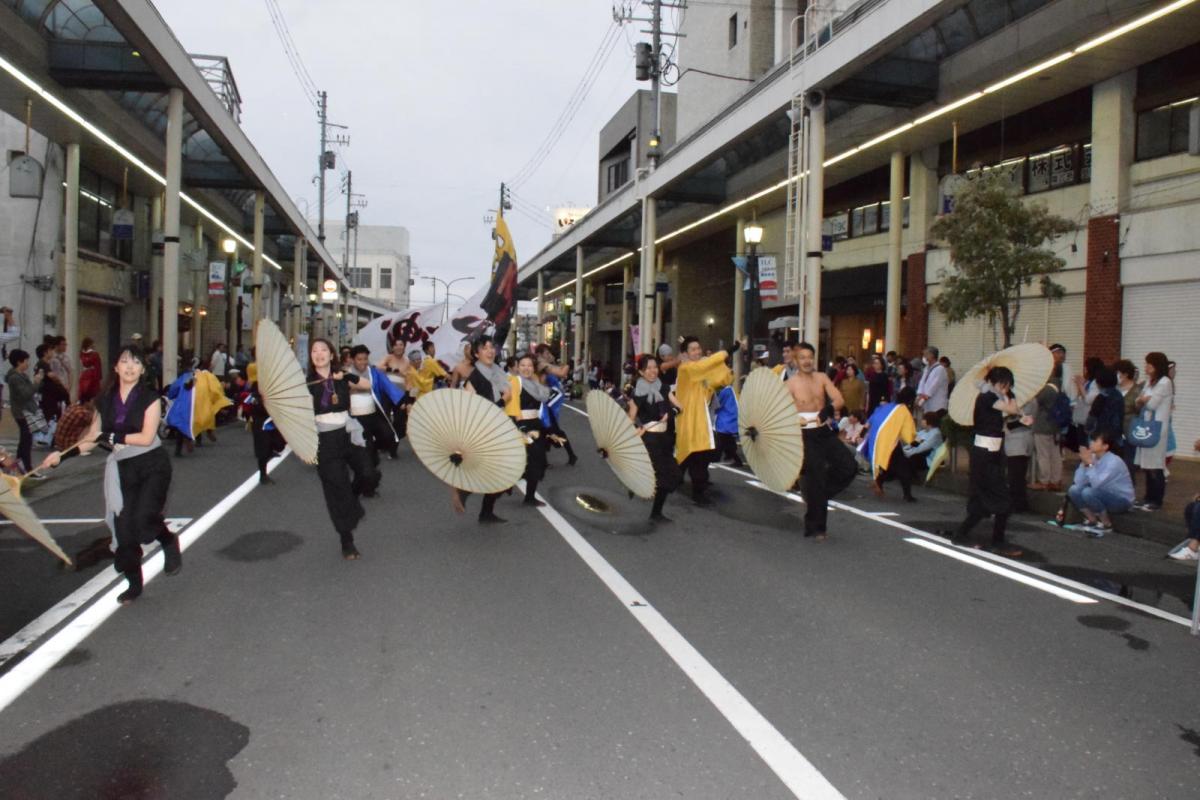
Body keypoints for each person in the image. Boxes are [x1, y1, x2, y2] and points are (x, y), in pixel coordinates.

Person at [42, 344, 180, 603]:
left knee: (144, 519)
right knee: (125, 531)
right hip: (123, 467)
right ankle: (134, 583)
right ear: (115, 367)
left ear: (142, 370)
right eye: (125, 361)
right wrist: (61, 456)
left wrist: (112, 435)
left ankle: (168, 540)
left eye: (136, 363)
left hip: (152, 465)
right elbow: (92, 439)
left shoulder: (150, 398)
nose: (130, 367)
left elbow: (146, 436)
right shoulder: (104, 402)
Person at [942, 366, 1030, 557]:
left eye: (1007, 387)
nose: (1005, 390)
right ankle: (997, 541)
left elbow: (1006, 419)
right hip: (984, 456)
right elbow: (1011, 408)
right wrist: (1015, 403)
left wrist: (1021, 419)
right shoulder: (986, 398)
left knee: (982, 502)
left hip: (991, 455)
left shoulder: (991, 399)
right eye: (1004, 385)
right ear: (994, 382)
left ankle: (961, 534)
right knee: (1003, 500)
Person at [785, 342, 858, 540]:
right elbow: (781, 412)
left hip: (824, 431)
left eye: (810, 357)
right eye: (802, 357)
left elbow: (839, 399)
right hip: (804, 434)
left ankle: (819, 496)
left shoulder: (822, 377)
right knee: (816, 474)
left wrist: (828, 409)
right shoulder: (790, 384)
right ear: (796, 360)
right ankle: (815, 527)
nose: (807, 361)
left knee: (849, 466)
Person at [308, 338, 367, 559]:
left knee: (368, 473)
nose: (319, 353)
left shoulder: (341, 378)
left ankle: (351, 500)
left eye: (323, 349)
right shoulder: (306, 383)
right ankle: (347, 541)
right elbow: (297, 418)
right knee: (336, 491)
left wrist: (347, 376)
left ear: (331, 355)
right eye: (314, 350)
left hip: (348, 433)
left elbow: (367, 385)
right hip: (325, 441)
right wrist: (303, 448)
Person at [670, 336, 739, 506]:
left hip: (701, 423)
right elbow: (703, 366)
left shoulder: (700, 371)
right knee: (685, 455)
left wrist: (727, 372)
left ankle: (697, 491)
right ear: (685, 354)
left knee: (698, 456)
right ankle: (672, 482)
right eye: (693, 349)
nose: (697, 352)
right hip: (688, 422)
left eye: (698, 348)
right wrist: (727, 350)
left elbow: (721, 380)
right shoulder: (685, 369)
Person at [461, 335, 512, 523]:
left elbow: (507, 393)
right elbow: (469, 408)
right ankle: (466, 491)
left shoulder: (497, 372)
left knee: (501, 473)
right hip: (484, 430)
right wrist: (502, 400)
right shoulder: (474, 378)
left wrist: (505, 398)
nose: (490, 351)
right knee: (497, 471)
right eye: (485, 348)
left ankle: (485, 510)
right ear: (476, 353)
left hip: (498, 424)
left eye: (492, 347)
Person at [627, 354, 683, 522]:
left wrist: (671, 413)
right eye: (648, 368)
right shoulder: (638, 393)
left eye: (655, 367)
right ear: (641, 372)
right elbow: (630, 418)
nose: (653, 371)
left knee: (675, 476)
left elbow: (680, 406)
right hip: (649, 438)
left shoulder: (664, 388)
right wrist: (634, 429)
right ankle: (638, 485)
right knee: (663, 475)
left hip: (665, 438)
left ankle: (656, 511)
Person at [1062, 430, 1134, 536]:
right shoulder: (1093, 457)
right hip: (1102, 494)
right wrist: (1084, 464)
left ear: (1105, 446)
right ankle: (1092, 520)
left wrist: (1090, 465)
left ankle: (1106, 524)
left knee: (1088, 492)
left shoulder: (1114, 461)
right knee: (1074, 490)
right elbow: (1078, 482)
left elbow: (1097, 483)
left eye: (1095, 441)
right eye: (1091, 440)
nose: (1091, 443)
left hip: (1121, 500)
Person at [1132, 351, 1172, 511]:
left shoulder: (1164, 382)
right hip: (1146, 427)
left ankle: (1156, 500)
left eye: (1149, 364)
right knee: (1147, 465)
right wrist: (1143, 400)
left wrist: (1144, 400)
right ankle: (1148, 497)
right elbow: (1138, 400)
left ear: (1157, 366)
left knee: (1156, 465)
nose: (1146, 367)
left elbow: (1152, 404)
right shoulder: (1150, 382)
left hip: (1156, 428)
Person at [348, 344, 402, 464]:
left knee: (387, 433)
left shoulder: (374, 372)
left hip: (373, 411)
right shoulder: (346, 373)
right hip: (353, 415)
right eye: (359, 359)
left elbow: (389, 386)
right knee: (361, 442)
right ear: (352, 360)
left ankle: (378, 449)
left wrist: (403, 402)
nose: (363, 362)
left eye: (365, 359)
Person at [512, 353, 550, 507]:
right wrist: (519, 427)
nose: (526, 368)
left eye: (529, 365)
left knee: (538, 461)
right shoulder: (515, 383)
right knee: (519, 462)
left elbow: (544, 401)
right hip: (521, 425)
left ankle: (529, 496)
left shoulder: (535, 383)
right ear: (517, 367)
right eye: (523, 365)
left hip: (536, 424)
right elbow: (511, 407)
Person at [5, 349, 43, 471]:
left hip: (25, 411)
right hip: (22, 413)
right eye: (26, 361)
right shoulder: (15, 378)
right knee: (26, 441)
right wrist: (36, 383)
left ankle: (21, 466)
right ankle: (27, 468)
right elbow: (25, 394)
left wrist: (37, 383)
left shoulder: (21, 376)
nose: (28, 364)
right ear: (19, 362)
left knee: (25, 440)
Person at [1004, 398, 1037, 513]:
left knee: (1016, 475)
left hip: (1018, 441)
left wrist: (1011, 418)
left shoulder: (1028, 401)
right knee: (1018, 475)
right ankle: (1020, 503)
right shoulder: (1013, 401)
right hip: (1019, 441)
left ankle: (1018, 503)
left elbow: (1027, 420)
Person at [1030, 382, 1063, 491]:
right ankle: (1055, 480)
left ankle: (1044, 480)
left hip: (1042, 425)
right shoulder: (1056, 389)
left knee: (1043, 454)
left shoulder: (1043, 391)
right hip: (1055, 426)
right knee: (1055, 454)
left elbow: (1034, 404)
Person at [1115, 359, 1142, 473]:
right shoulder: (1116, 389)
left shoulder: (1138, 390)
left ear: (1125, 374)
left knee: (1128, 460)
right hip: (1116, 429)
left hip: (1130, 429)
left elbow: (1140, 411)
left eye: (1117, 373)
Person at [712, 382, 742, 467]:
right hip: (730, 418)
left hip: (726, 420)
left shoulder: (725, 391)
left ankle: (716, 457)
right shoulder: (730, 390)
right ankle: (731, 458)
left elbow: (716, 405)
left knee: (722, 440)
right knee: (727, 440)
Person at [915, 347, 948, 414]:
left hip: (937, 403)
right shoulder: (926, 368)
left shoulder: (940, 369)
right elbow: (922, 382)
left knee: (934, 422)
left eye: (926, 355)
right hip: (926, 403)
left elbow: (933, 386)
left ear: (932, 355)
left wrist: (922, 399)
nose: (924, 357)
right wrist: (919, 395)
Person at [78, 337, 102, 403]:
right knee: (93, 392)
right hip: (93, 374)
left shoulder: (81, 354)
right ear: (90, 344)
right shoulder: (95, 354)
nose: (94, 345)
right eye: (92, 344)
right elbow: (98, 366)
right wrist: (99, 377)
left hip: (84, 374)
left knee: (84, 391)